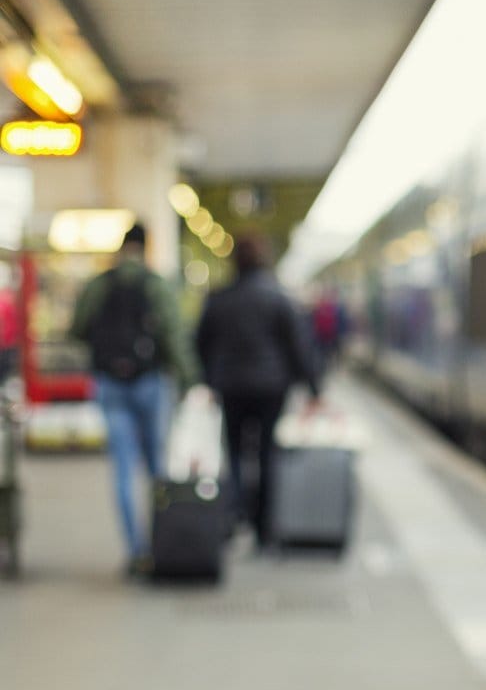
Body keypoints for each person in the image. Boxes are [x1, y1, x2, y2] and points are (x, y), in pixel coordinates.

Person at [69, 223, 197, 573]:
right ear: (146, 247)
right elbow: (174, 335)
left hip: (110, 383)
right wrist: (189, 381)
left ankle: (136, 551)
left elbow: (77, 329)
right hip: (150, 382)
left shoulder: (100, 284)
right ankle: (162, 543)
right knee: (157, 465)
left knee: (123, 468)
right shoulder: (156, 284)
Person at [194, 234, 320, 549]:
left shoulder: (220, 298)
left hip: (231, 386)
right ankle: (265, 529)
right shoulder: (279, 298)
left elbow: (200, 342)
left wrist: (208, 380)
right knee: (267, 454)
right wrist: (314, 388)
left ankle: (236, 518)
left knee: (235, 453)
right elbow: (299, 346)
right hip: (271, 387)